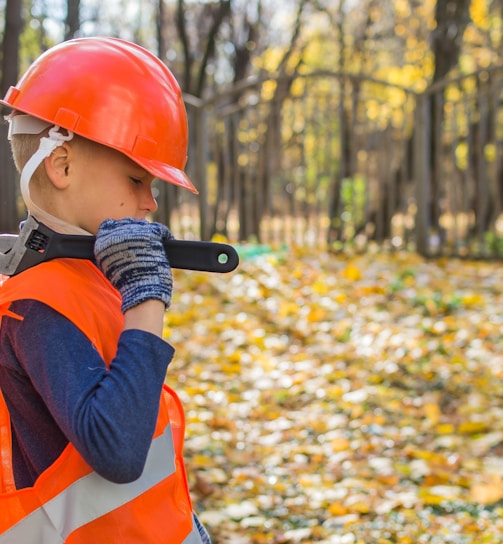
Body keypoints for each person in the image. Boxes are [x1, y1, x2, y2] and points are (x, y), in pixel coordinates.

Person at [0, 37, 212, 543]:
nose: (150, 203)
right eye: (137, 180)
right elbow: (116, 449)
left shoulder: (85, 280)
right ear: (63, 165)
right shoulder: (38, 305)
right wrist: (146, 297)